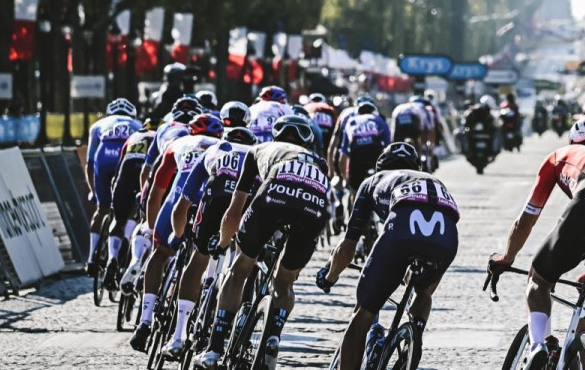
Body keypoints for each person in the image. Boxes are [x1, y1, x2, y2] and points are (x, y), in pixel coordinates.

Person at [488, 114, 585, 361]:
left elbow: (527, 219)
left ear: (572, 138)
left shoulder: (560, 155)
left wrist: (507, 257)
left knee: (539, 281)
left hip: (584, 212)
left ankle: (539, 345)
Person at [193, 115, 331, 369]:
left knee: (239, 269)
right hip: (315, 208)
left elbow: (234, 212)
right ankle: (274, 335)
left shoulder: (258, 150)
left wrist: (223, 244)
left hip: (274, 197)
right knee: (285, 280)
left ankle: (213, 349)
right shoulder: (320, 163)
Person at [318, 143, 460, 370]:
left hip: (402, 232)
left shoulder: (373, 181)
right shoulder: (432, 180)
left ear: (379, 166)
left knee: (363, 314)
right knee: (423, 290)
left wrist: (330, 277)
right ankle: (414, 335)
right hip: (447, 237)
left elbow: (347, 249)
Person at [131, 114, 225, 351]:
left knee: (160, 254)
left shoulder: (177, 144)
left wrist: (153, 230)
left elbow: (156, 192)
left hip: (177, 201)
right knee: (197, 261)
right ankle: (181, 331)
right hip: (208, 204)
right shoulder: (223, 148)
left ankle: (144, 321)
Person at [161, 126, 257, 358]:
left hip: (216, 200)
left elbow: (182, 204)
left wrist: (178, 234)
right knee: (241, 266)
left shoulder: (214, 150)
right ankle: (229, 334)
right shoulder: (258, 153)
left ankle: (178, 337)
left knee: (198, 258)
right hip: (248, 204)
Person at [84, 98, 143, 275]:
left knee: (101, 209)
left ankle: (91, 259)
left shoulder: (98, 124)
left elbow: (90, 163)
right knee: (129, 207)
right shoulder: (138, 124)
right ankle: (121, 246)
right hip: (125, 161)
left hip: (103, 159)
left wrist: (93, 191)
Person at [111, 119, 157, 290]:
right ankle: (130, 247)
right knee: (143, 218)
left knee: (118, 218)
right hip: (145, 174)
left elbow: (119, 166)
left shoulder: (134, 136)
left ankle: (112, 257)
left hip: (125, 172)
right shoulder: (160, 137)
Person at [341, 101, 391, 191]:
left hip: (357, 154)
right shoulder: (379, 119)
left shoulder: (351, 121)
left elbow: (344, 153)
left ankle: (354, 199)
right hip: (375, 152)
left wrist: (345, 179)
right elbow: (389, 146)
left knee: (355, 189)